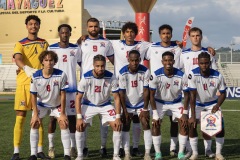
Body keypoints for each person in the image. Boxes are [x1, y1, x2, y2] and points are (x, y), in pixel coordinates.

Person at [111, 21, 151, 157]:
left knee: (139, 121)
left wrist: (175, 43)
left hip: (138, 91)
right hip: (122, 89)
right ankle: (122, 149)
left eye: (132, 32)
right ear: (123, 33)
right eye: (127, 32)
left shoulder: (143, 45)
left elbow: (160, 47)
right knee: (124, 121)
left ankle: (136, 148)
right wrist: (84, 38)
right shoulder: (115, 44)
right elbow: (100, 43)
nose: (129, 34)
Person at [12, 15, 49, 160]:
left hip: (39, 84)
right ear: (26, 26)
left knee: (38, 118)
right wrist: (26, 68)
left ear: (39, 26)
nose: (33, 26)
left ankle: (39, 150)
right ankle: (16, 152)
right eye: (30, 24)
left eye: (36, 24)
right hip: (23, 84)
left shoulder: (44, 43)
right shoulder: (20, 43)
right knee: (20, 118)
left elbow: (48, 60)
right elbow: (18, 59)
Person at [75, 54, 122, 160]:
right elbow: (78, 98)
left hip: (105, 105)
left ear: (105, 65)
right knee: (80, 126)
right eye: (97, 66)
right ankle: (80, 155)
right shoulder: (86, 77)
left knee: (117, 126)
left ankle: (116, 155)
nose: (100, 68)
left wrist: (118, 116)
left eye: (102, 66)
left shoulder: (111, 77)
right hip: (89, 104)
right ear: (93, 65)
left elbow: (116, 98)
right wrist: (79, 117)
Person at [180, 27, 217, 158]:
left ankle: (208, 150)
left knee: (208, 125)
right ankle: (191, 150)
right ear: (190, 38)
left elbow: (215, 72)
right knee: (191, 124)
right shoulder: (183, 54)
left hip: (206, 95)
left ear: (201, 37)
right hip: (190, 94)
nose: (195, 38)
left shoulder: (209, 53)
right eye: (193, 35)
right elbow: (179, 72)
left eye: (198, 35)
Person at [79, 17, 114, 157]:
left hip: (103, 81)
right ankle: (84, 147)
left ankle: (103, 146)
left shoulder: (106, 42)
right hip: (86, 83)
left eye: (95, 26)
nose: (93, 29)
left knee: (104, 117)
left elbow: (114, 60)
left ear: (98, 27)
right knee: (84, 119)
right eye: (91, 26)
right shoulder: (82, 42)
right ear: (87, 28)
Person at [145, 24, 182, 156]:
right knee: (156, 123)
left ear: (171, 34)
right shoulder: (151, 47)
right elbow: (133, 49)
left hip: (174, 90)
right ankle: (157, 151)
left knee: (175, 123)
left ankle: (173, 148)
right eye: (163, 33)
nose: (166, 35)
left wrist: (209, 49)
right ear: (159, 35)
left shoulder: (178, 47)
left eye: (168, 33)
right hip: (158, 91)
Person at [47, 24, 82, 158]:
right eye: (62, 32)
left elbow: (82, 64)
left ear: (70, 34)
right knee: (53, 119)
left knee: (72, 118)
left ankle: (73, 147)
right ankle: (51, 147)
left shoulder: (75, 49)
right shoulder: (52, 48)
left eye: (67, 32)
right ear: (59, 33)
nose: (65, 35)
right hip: (55, 90)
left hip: (72, 89)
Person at [29, 50, 71, 160]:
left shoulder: (61, 74)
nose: (49, 63)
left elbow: (63, 94)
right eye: (46, 60)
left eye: (51, 60)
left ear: (55, 62)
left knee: (64, 123)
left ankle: (67, 154)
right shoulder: (35, 76)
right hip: (41, 104)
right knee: (34, 123)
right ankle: (33, 154)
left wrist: (62, 113)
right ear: (42, 62)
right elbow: (33, 95)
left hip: (56, 105)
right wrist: (34, 114)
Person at [149, 51, 189, 160]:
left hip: (176, 102)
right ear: (162, 62)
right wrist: (155, 113)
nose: (168, 62)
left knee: (184, 123)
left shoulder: (182, 75)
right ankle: (158, 153)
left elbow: (186, 95)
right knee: (155, 124)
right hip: (159, 102)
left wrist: (185, 112)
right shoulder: (156, 74)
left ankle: (180, 153)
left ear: (174, 61)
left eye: (170, 60)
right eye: (166, 60)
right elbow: (151, 95)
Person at [187, 52, 226, 160]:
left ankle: (217, 153)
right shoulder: (193, 74)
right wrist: (193, 116)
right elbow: (192, 97)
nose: (204, 65)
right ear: (198, 63)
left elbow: (223, 93)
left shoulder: (218, 75)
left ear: (210, 63)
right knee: (192, 125)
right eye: (202, 63)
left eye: (206, 63)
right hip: (198, 104)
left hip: (212, 104)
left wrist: (218, 105)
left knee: (220, 127)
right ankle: (195, 153)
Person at [118, 50, 152, 160]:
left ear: (140, 60)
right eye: (132, 60)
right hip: (128, 103)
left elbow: (147, 91)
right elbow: (121, 93)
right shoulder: (122, 72)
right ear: (128, 60)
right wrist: (125, 111)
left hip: (141, 102)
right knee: (126, 124)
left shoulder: (145, 71)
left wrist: (145, 108)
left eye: (136, 60)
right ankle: (127, 153)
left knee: (145, 123)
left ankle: (146, 153)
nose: (134, 63)